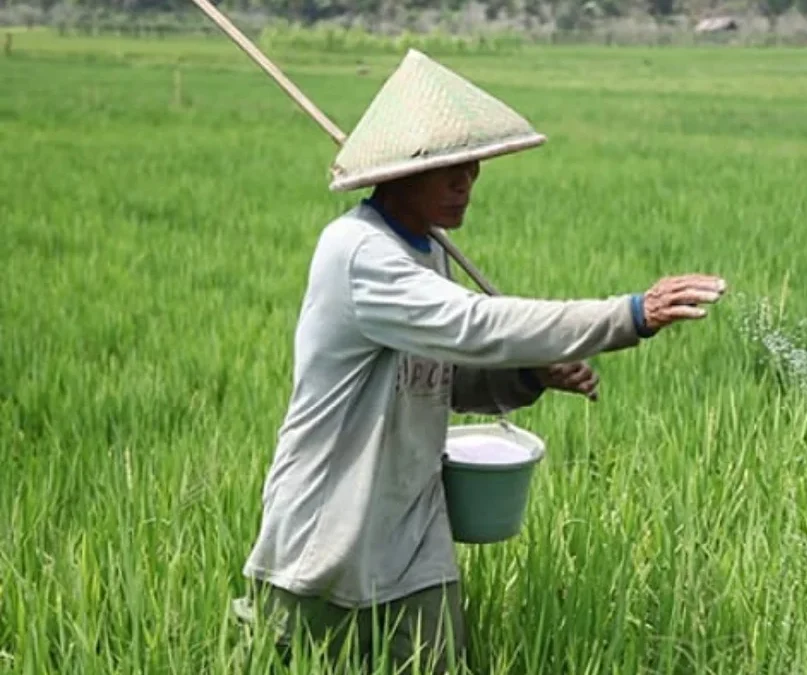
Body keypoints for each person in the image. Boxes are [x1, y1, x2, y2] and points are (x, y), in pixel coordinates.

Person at [231, 49, 726, 673]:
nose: (466, 183)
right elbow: (476, 325)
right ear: (400, 172)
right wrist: (630, 314)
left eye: (472, 167)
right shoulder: (359, 255)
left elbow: (435, 375)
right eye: (449, 170)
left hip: (412, 533)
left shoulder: (426, 252)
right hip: (329, 535)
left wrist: (529, 373)